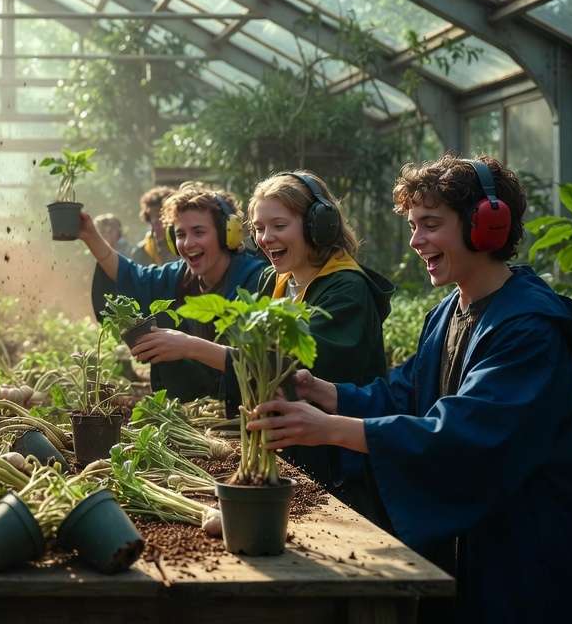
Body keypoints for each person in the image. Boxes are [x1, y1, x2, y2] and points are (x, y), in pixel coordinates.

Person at [247, 156, 572, 622]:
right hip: (474, 542)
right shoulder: (448, 312)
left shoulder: (528, 328)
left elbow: (461, 431)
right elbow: (408, 393)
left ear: (486, 225)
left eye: (430, 225)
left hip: (527, 554)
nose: (416, 241)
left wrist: (329, 428)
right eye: (413, 226)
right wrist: (326, 392)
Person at [130, 171, 393, 525]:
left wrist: (191, 347)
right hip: (289, 458)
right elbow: (245, 360)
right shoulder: (277, 281)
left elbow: (286, 367)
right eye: (259, 228)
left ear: (319, 225)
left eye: (279, 226)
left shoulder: (346, 289)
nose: (266, 239)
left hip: (340, 471)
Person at [79, 182, 266, 401]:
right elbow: (132, 277)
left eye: (198, 232)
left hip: (246, 407)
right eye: (180, 234)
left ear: (228, 234)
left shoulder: (255, 279)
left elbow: (260, 365)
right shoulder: (179, 275)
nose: (187, 243)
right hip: (201, 408)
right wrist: (90, 236)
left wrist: (187, 346)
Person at [131, 185, 176, 265]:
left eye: (160, 216)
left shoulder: (182, 247)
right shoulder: (141, 251)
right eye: (152, 216)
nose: (155, 221)